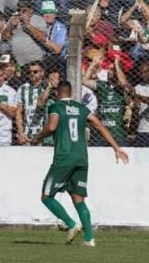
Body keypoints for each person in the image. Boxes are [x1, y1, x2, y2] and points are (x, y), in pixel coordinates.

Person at [32, 80, 129, 247]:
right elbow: (98, 124)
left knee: (46, 196)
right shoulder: (81, 108)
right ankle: (89, 239)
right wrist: (116, 148)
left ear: (57, 93)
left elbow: (52, 126)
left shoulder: (55, 107)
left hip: (64, 157)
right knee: (78, 198)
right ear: (70, 93)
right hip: (82, 158)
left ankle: (71, 224)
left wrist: (37, 137)